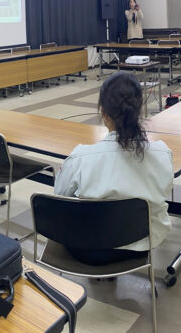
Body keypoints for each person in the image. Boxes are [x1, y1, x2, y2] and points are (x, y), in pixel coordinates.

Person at [54, 72, 173, 265]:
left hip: (85, 248)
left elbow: (59, 195)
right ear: (139, 109)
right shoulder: (162, 154)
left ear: (103, 112)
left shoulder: (80, 157)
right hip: (141, 244)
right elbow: (164, 192)